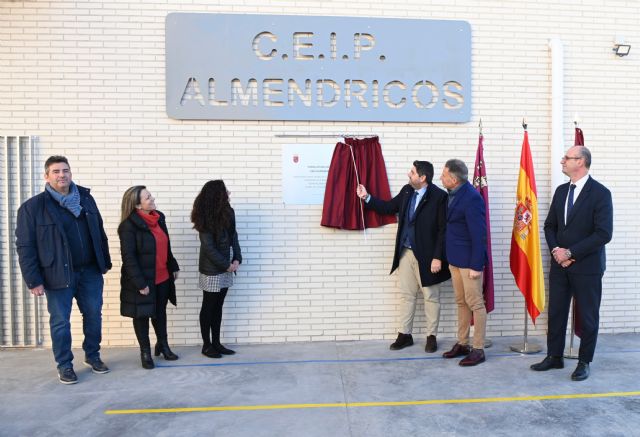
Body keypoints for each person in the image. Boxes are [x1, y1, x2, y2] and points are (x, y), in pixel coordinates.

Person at [16, 156, 112, 384]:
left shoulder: (86, 199)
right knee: (60, 321)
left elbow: (99, 231)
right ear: (47, 176)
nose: (62, 175)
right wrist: (33, 280)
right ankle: (65, 365)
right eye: (56, 171)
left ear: (71, 172)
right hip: (56, 274)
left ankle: (92, 355)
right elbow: (25, 246)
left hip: (89, 271)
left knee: (93, 316)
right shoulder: (33, 207)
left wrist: (104, 261)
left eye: (65, 170)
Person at [531, 146, 613, 381]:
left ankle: (584, 361)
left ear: (581, 162)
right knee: (556, 312)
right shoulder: (560, 191)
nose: (562, 161)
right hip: (559, 266)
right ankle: (554, 357)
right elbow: (550, 226)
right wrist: (557, 251)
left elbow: (603, 233)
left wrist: (571, 252)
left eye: (567, 158)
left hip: (586, 267)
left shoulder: (600, 193)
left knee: (587, 316)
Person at [357, 161, 450, 352]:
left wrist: (437, 257)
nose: (409, 174)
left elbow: (443, 229)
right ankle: (404, 335)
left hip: (428, 256)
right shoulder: (407, 191)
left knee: (431, 296)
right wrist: (366, 197)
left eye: (412, 172)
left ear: (422, 177)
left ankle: (431, 336)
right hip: (406, 252)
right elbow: (388, 207)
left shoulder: (439, 197)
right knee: (407, 296)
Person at [118, 186, 180, 369]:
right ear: (137, 205)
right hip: (142, 280)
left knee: (160, 312)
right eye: (147, 197)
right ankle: (145, 352)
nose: (152, 199)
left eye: (150, 195)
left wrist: (173, 265)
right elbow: (128, 257)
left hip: (162, 276)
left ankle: (163, 345)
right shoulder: (128, 226)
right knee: (142, 316)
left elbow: (166, 246)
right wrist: (140, 283)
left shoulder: (159, 218)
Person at [439, 159, 488, 366]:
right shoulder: (451, 195)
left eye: (443, 175)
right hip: (455, 259)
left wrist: (477, 265)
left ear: (453, 179)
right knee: (461, 302)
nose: (441, 178)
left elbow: (479, 234)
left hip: (469, 262)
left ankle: (478, 348)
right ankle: (463, 343)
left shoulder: (471, 198)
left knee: (476, 303)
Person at [191, 180, 242, 358]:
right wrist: (226, 264)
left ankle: (217, 343)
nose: (229, 193)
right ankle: (206, 345)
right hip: (211, 269)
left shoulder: (229, 212)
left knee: (218, 306)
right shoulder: (204, 216)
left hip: (227, 266)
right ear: (217, 195)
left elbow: (233, 236)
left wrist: (236, 258)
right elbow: (208, 247)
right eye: (225, 190)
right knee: (209, 306)